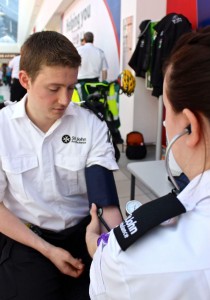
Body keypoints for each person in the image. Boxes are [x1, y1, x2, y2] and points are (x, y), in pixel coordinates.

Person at [86, 28, 210, 299]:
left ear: (189, 126)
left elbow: (105, 282)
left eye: (167, 110)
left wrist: (98, 248)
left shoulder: (129, 261)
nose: (164, 123)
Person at [0, 31, 122, 300]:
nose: (65, 100)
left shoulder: (90, 124)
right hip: (27, 239)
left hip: (85, 234)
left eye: (71, 87)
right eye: (54, 89)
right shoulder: (2, 129)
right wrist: (47, 250)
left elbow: (105, 202)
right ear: (25, 80)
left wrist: (118, 249)